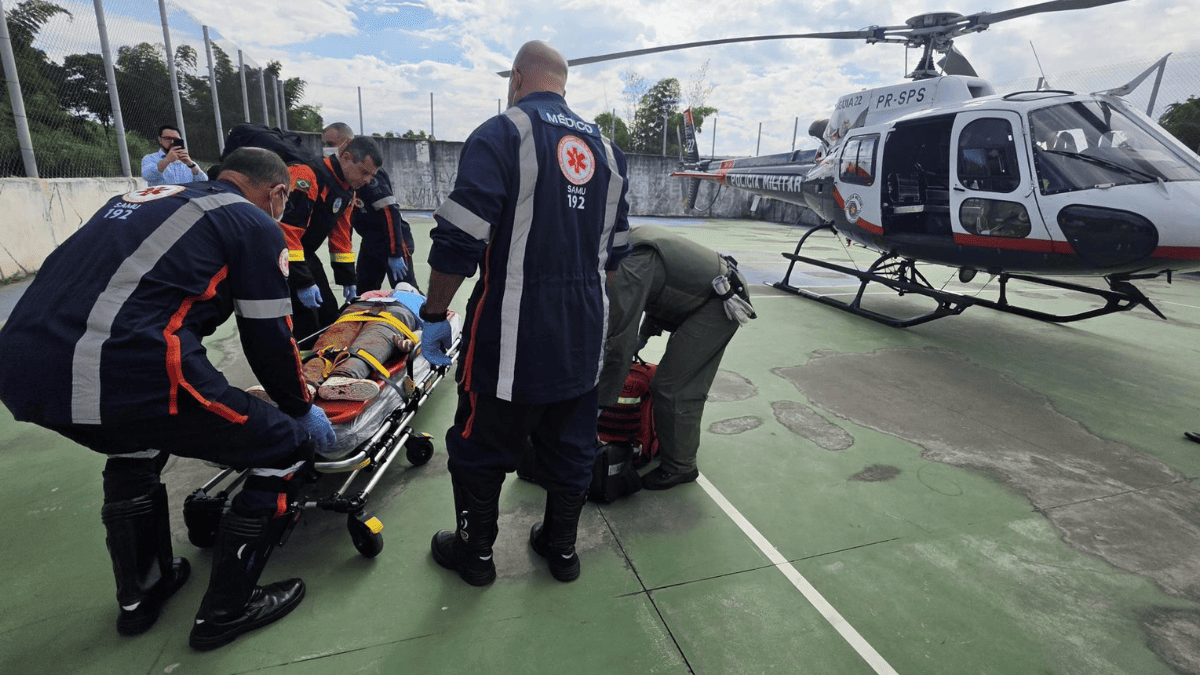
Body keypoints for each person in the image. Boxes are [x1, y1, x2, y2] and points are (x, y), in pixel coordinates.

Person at [0, 147, 338, 651]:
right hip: (129, 364)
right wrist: (298, 407)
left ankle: (141, 597)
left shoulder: (141, 199)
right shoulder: (251, 221)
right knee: (284, 446)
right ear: (277, 193)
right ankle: (227, 610)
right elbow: (267, 337)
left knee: (134, 444)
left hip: (22, 364)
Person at [419, 40, 630, 585]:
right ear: (563, 83)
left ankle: (476, 555)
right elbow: (614, 259)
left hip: (511, 330)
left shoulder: (501, 133)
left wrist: (435, 314)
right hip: (584, 330)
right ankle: (561, 550)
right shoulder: (609, 153)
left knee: (480, 443)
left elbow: (459, 238)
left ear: (516, 78)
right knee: (572, 440)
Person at [598, 224, 755, 490]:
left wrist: (600, 403)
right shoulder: (622, 243)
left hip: (718, 304)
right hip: (696, 297)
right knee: (666, 382)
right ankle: (667, 439)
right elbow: (662, 290)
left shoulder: (628, 264)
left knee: (674, 387)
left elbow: (620, 338)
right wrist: (644, 336)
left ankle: (680, 467)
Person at [281, 135, 382, 341]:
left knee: (327, 312)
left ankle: (324, 354)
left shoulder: (347, 191)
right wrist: (302, 281)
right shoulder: (306, 175)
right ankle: (302, 358)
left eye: (371, 176)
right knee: (305, 320)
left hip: (303, 253)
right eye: (364, 172)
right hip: (279, 254)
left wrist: (348, 280)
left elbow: (341, 237)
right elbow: (286, 231)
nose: (367, 181)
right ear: (346, 158)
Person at [321, 123, 419, 293]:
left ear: (347, 144)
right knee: (364, 289)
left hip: (392, 239)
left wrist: (395, 253)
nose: (327, 149)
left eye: (331, 144)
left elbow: (390, 212)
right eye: (325, 144)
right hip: (370, 240)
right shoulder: (338, 176)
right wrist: (347, 274)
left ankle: (426, 310)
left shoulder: (368, 172)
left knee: (405, 289)